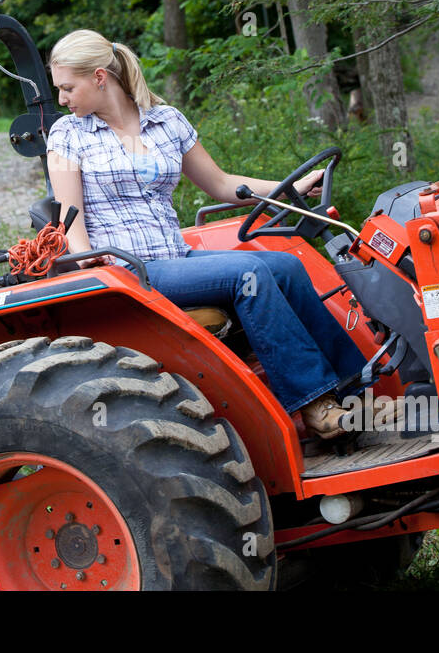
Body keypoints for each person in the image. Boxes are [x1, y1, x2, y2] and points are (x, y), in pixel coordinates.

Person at [44, 29, 367, 438]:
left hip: (174, 256)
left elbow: (220, 184)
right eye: (60, 89)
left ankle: (358, 393)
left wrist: (291, 187)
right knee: (247, 275)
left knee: (286, 265)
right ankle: (315, 406)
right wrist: (84, 255)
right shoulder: (68, 134)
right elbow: (69, 214)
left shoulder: (166, 121)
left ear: (100, 77)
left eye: (68, 87)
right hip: (128, 269)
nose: (62, 99)